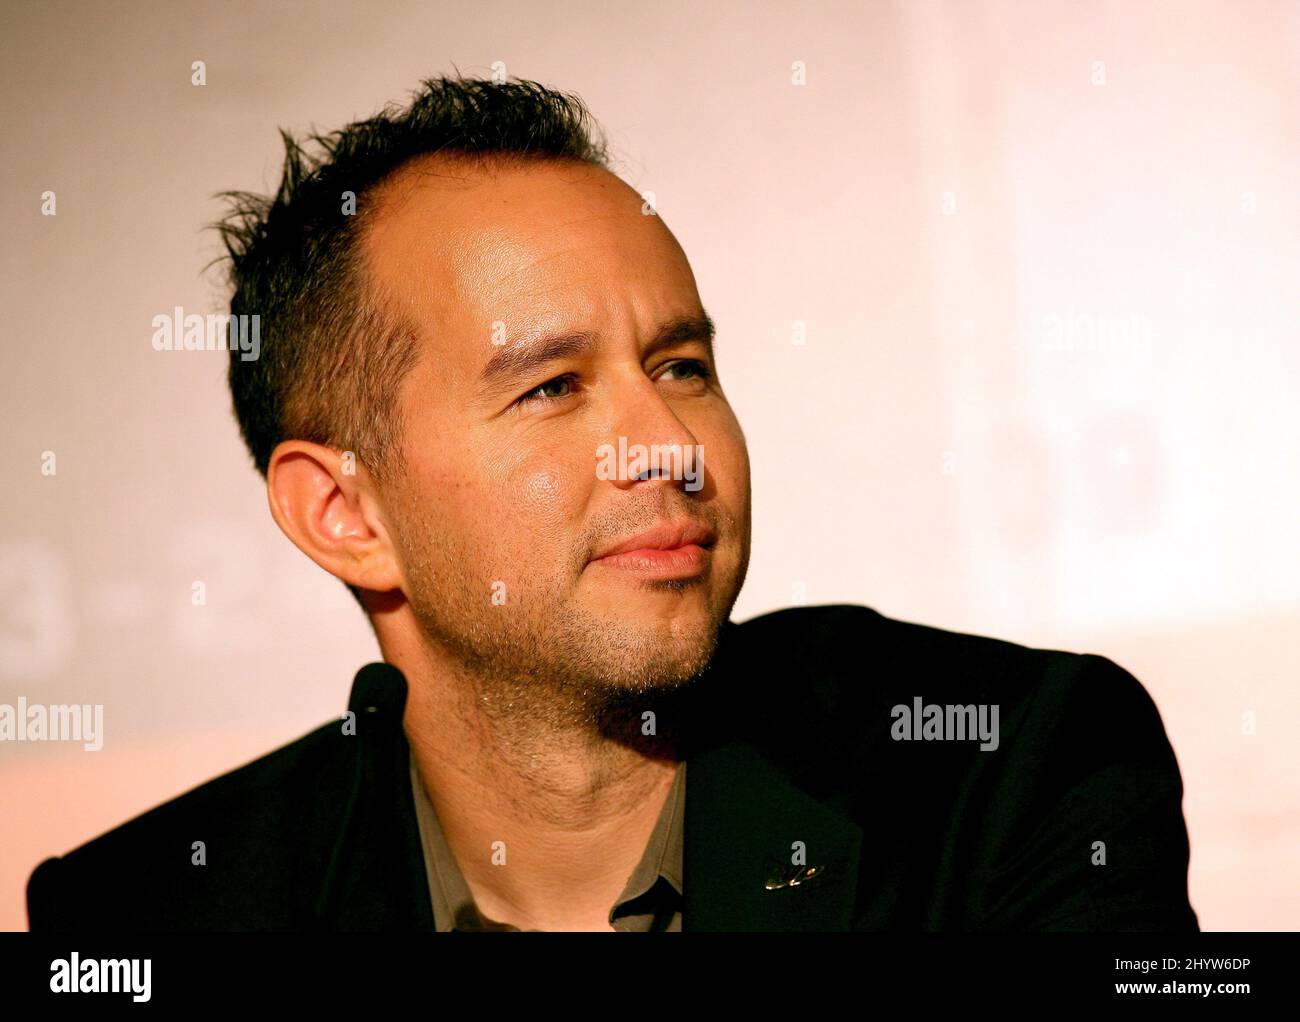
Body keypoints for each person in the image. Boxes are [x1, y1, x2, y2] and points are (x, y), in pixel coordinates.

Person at [26, 75, 1198, 932]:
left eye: (682, 366)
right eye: (551, 386)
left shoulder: (1012, 770)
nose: (667, 445)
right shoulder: (143, 916)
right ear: (344, 511)